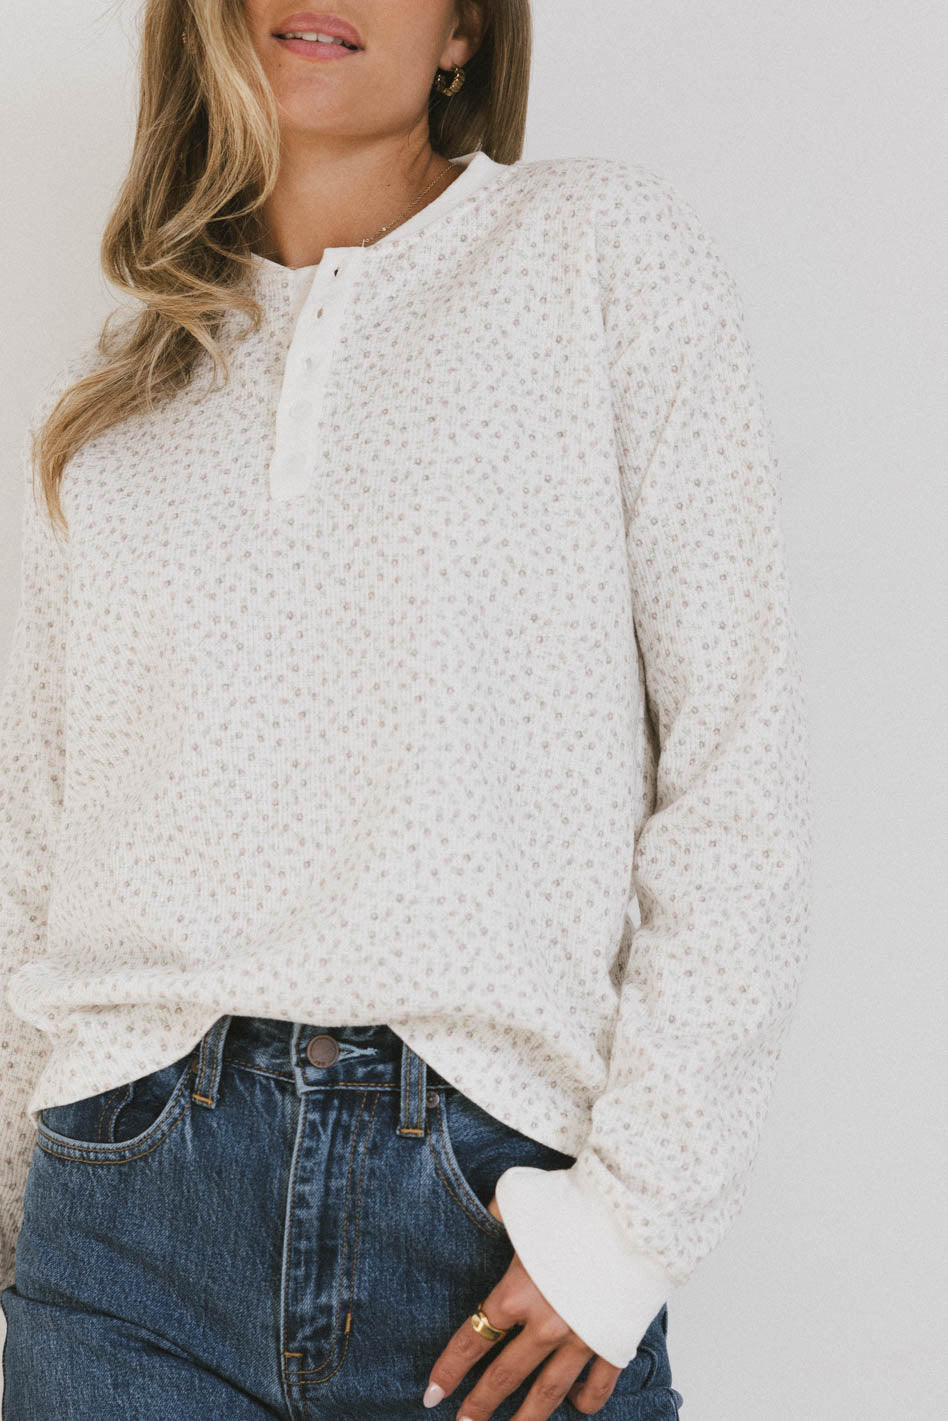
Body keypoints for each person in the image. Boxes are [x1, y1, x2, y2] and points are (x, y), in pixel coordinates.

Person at [0, 1, 812, 1417]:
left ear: (464, 32)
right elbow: (33, 846)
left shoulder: (596, 256)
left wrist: (629, 1225)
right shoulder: (117, 392)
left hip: (496, 1226)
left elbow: (737, 764)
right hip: (123, 1232)